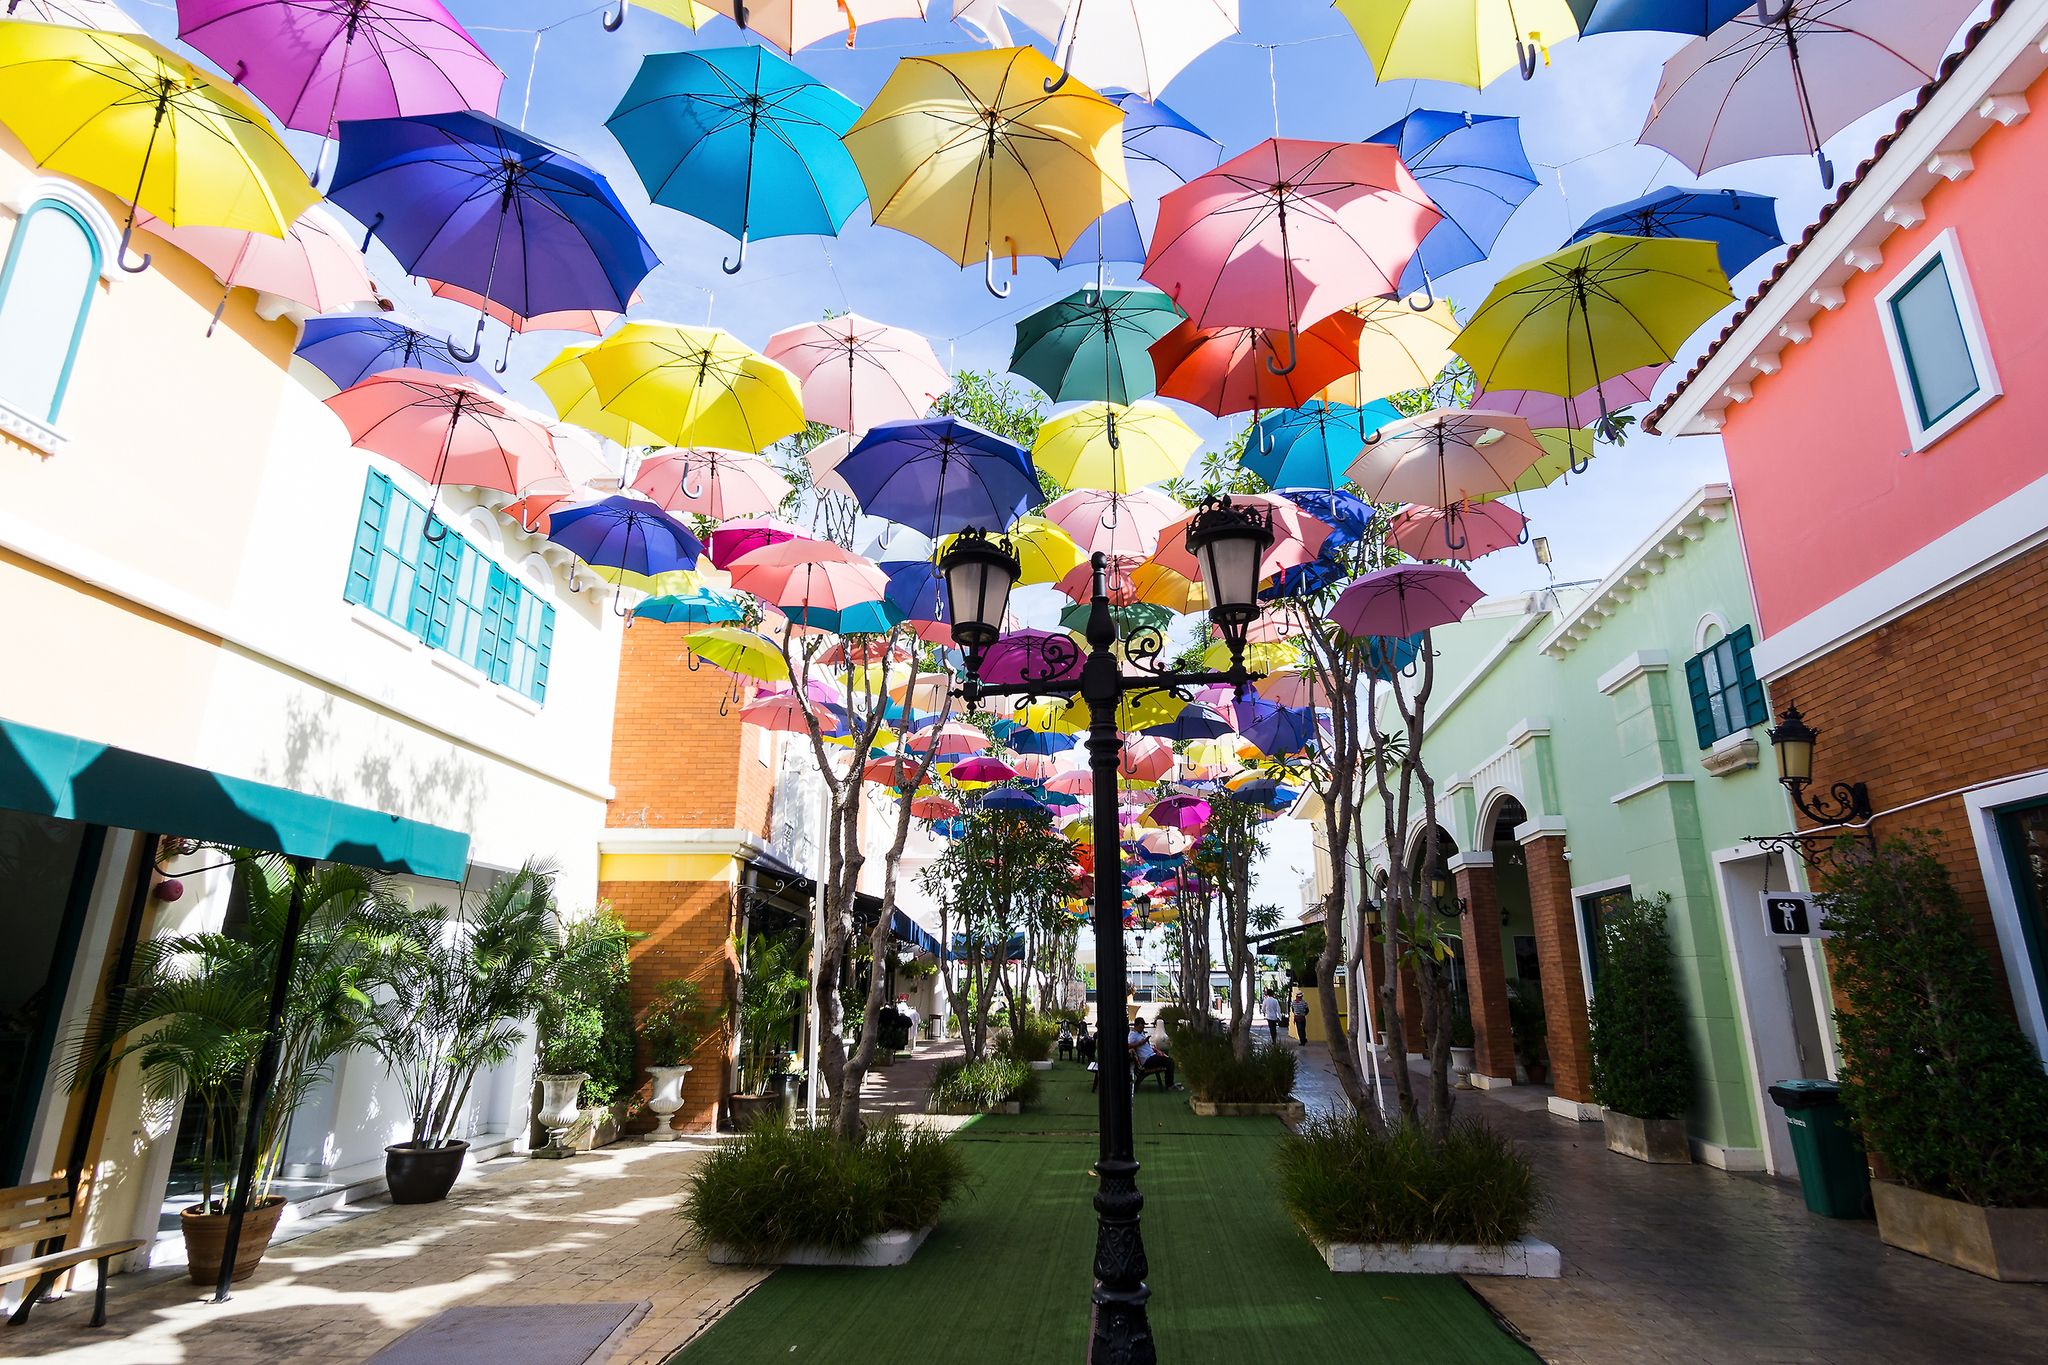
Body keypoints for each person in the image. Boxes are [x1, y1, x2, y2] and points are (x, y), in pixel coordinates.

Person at [1128, 1015, 1176, 1090]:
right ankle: (1169, 1085)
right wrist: (1139, 1044)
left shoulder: (1140, 1033)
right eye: (1141, 1027)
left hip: (1151, 1056)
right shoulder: (1132, 1035)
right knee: (1170, 1062)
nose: (1142, 1028)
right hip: (1147, 1059)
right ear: (1136, 1026)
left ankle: (1169, 1083)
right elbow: (1128, 1045)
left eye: (1143, 1026)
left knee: (1168, 1060)